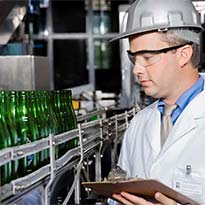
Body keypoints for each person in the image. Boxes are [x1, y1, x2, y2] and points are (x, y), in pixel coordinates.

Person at [109, 0, 205, 204]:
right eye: (134, 58)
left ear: (183, 55)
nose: (137, 69)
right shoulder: (139, 124)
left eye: (147, 57)